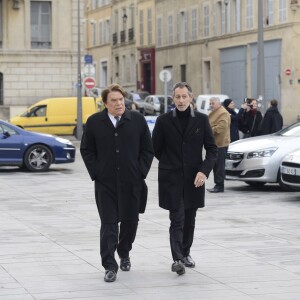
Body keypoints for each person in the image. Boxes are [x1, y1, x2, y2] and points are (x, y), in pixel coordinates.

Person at [80, 83, 154, 283]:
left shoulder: (137, 120)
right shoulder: (95, 122)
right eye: (114, 100)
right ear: (105, 103)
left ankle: (124, 252)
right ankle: (109, 266)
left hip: (132, 183)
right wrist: (97, 172)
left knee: (131, 223)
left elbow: (148, 149)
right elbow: (86, 150)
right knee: (109, 224)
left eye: (121, 99)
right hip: (106, 184)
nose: (119, 103)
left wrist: (140, 172)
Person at [152, 82, 218, 276]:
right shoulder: (163, 121)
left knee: (190, 218)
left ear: (191, 97)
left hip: (194, 179)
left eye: (184, 97)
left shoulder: (201, 120)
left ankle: (186, 252)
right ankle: (177, 259)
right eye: (177, 97)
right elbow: (155, 148)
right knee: (177, 218)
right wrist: (170, 163)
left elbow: (212, 150)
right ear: (173, 99)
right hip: (171, 179)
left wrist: (204, 171)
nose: (181, 100)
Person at [207, 97, 231, 193]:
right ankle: (217, 184)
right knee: (215, 165)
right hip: (215, 143)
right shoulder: (215, 111)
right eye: (210, 103)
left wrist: (209, 131)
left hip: (221, 143)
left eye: (213, 103)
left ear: (218, 103)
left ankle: (220, 185)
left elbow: (222, 127)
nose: (211, 105)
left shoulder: (223, 112)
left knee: (219, 166)